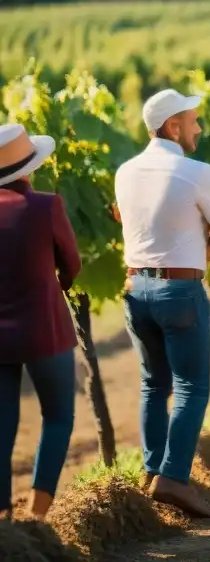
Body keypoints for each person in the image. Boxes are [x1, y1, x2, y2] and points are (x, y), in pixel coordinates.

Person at [113, 90, 210, 519]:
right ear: (173, 127)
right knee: (192, 388)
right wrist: (198, 249)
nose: (199, 128)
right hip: (180, 293)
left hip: (135, 290)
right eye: (193, 121)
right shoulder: (198, 172)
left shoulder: (125, 172)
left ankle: (152, 473)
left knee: (154, 385)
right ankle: (173, 478)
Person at [0, 124, 80, 521]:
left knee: (1, 425)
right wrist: (57, 285)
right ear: (27, 169)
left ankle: (3, 519)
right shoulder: (46, 206)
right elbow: (72, 263)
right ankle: (37, 514)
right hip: (44, 327)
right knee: (59, 415)